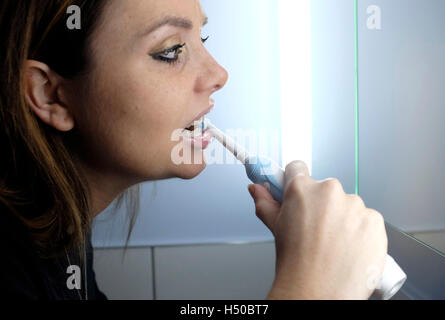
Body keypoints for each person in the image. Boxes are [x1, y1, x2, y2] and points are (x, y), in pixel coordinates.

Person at [0, 0, 387, 300]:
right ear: (51, 94)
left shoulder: (59, 236)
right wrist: (310, 287)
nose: (219, 74)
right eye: (170, 50)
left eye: (202, 39)